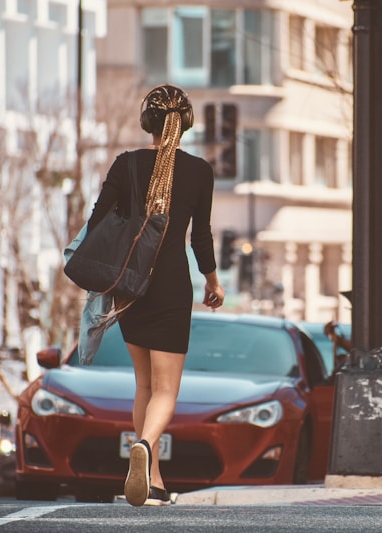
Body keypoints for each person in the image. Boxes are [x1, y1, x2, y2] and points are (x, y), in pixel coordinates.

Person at [86, 84, 225, 506]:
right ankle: (145, 446)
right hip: (170, 285)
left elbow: (97, 224)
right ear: (185, 125)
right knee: (166, 389)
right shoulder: (200, 171)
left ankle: (155, 484)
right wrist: (213, 281)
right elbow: (200, 235)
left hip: (130, 286)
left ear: (147, 122)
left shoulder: (125, 164)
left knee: (144, 384)